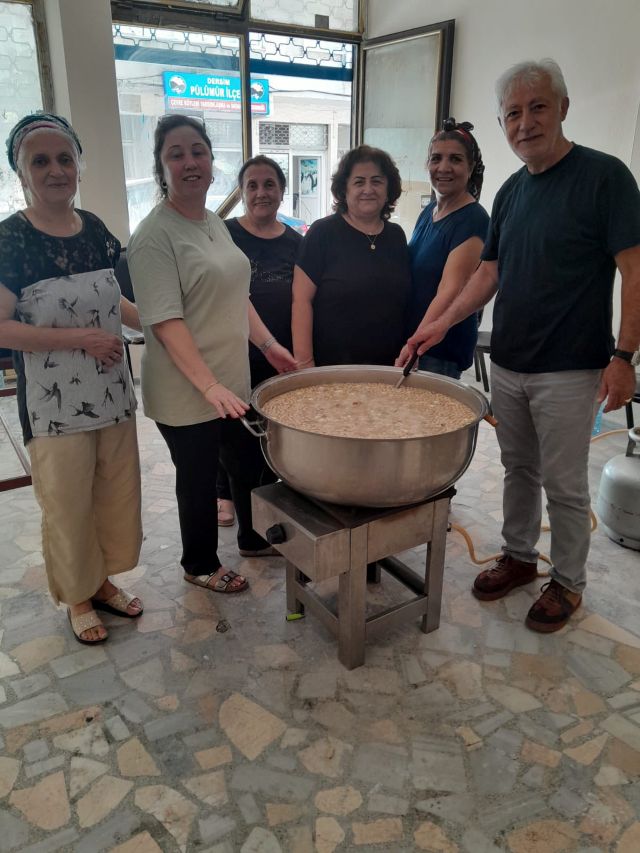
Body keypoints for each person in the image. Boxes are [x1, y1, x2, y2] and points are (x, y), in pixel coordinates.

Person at [400, 59, 640, 632]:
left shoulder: (605, 178)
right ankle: (519, 556)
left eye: (537, 108)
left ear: (563, 108)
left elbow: (635, 270)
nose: (525, 122)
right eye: (512, 113)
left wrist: (624, 357)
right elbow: (488, 274)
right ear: (502, 123)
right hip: (507, 361)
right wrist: (442, 324)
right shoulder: (511, 191)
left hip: (571, 366)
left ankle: (568, 582)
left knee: (564, 482)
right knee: (518, 468)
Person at [127, 115, 296, 595]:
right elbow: (165, 322)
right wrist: (208, 385)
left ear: (211, 160)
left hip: (230, 381)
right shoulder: (154, 236)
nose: (189, 162)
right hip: (186, 390)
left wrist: (269, 346)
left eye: (197, 151)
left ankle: (251, 538)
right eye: (176, 154)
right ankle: (199, 563)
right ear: (161, 167)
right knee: (199, 479)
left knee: (245, 465)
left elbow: (237, 295)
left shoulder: (213, 223)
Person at [0, 113, 143, 644]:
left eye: (65, 158)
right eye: (40, 161)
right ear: (21, 172)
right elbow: (2, 326)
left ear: (79, 166)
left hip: (111, 392)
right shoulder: (11, 240)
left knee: (111, 493)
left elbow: (115, 299)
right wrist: (81, 338)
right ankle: (77, 595)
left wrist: (162, 326)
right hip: (52, 405)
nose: (55, 170)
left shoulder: (95, 229)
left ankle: (100, 582)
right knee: (66, 502)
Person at [216, 155, 303, 527]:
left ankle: (263, 504)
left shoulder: (297, 242)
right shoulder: (223, 234)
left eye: (269, 184)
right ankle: (224, 495)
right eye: (252, 185)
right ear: (241, 192)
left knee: (267, 435)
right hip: (232, 354)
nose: (261, 192)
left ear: (282, 191)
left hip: (278, 356)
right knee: (232, 434)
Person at [292, 145, 411, 367]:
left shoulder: (396, 236)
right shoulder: (322, 233)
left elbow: (402, 304)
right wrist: (305, 363)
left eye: (377, 181)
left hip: (389, 368)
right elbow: (301, 301)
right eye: (359, 182)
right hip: (332, 368)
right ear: (344, 190)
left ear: (388, 189)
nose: (368, 189)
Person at [400, 118, 489, 379]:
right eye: (436, 158)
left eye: (455, 159)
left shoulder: (473, 219)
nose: (444, 167)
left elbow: (450, 290)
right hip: (414, 341)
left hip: (436, 349)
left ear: (471, 167)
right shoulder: (429, 211)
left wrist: (415, 343)